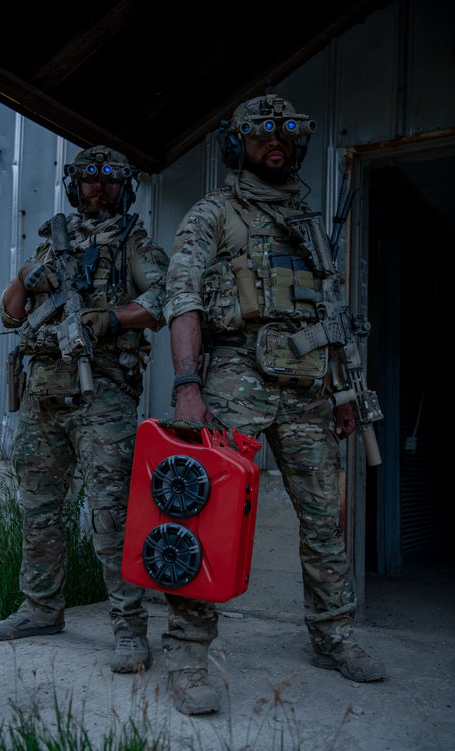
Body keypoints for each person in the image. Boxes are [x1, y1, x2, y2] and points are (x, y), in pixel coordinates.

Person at [163, 94, 386, 715]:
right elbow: (182, 296)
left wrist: (343, 390)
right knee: (206, 513)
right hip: (236, 377)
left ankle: (334, 635)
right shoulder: (215, 212)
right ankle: (187, 655)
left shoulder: (308, 222)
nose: (275, 142)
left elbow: (329, 314)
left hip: (309, 389)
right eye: (261, 133)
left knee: (325, 518)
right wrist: (187, 385)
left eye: (286, 133)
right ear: (239, 144)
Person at [0, 145, 168, 674]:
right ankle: (40, 609)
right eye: (89, 178)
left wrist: (110, 318)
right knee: (38, 511)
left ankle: (129, 628)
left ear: (123, 187)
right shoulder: (50, 244)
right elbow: (11, 314)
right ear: (74, 186)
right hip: (42, 396)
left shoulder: (134, 243)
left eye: (109, 180)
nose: (98, 188)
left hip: (101, 396)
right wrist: (28, 277)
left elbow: (165, 299)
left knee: (112, 516)